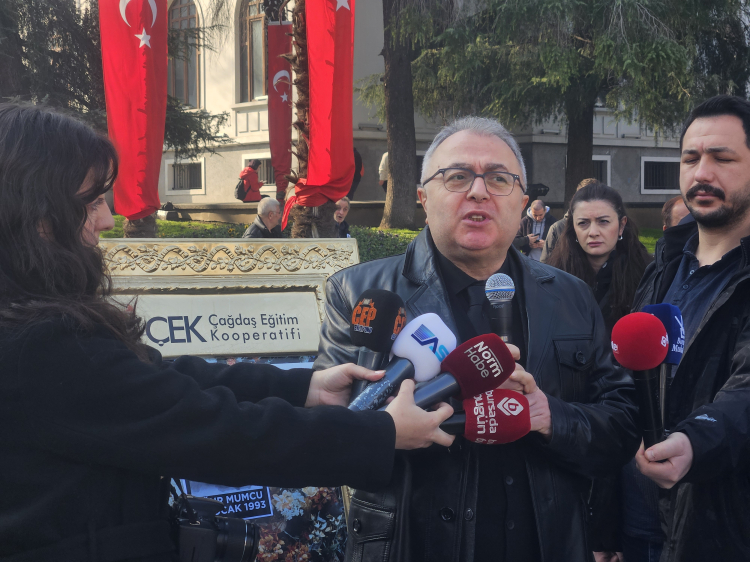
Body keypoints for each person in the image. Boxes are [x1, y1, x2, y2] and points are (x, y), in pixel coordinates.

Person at [0, 104, 456, 560]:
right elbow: (217, 431)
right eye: (92, 202)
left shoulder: (34, 326)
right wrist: (377, 434)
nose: (106, 218)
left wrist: (306, 388)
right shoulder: (39, 347)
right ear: (39, 215)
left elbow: (162, 381)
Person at [314, 116, 639, 562]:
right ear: (423, 198)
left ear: (522, 203)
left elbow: (621, 426)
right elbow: (327, 441)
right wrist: (390, 427)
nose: (479, 192)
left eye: (499, 179)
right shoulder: (359, 294)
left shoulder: (571, 297)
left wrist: (547, 416)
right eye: (458, 176)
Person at [626, 94, 750, 562]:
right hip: (640, 525)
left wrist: (695, 442)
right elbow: (626, 384)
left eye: (722, 158)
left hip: (719, 529)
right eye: (690, 158)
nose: (702, 173)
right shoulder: (664, 265)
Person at [546, 182, 651, 338]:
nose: (593, 232)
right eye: (583, 223)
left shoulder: (647, 278)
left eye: (603, 221)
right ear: (573, 228)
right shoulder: (553, 281)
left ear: (621, 225)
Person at [540, 177, 598, 263]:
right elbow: (545, 264)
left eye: (595, 198)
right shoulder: (558, 228)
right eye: (585, 198)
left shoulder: (610, 228)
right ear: (575, 198)